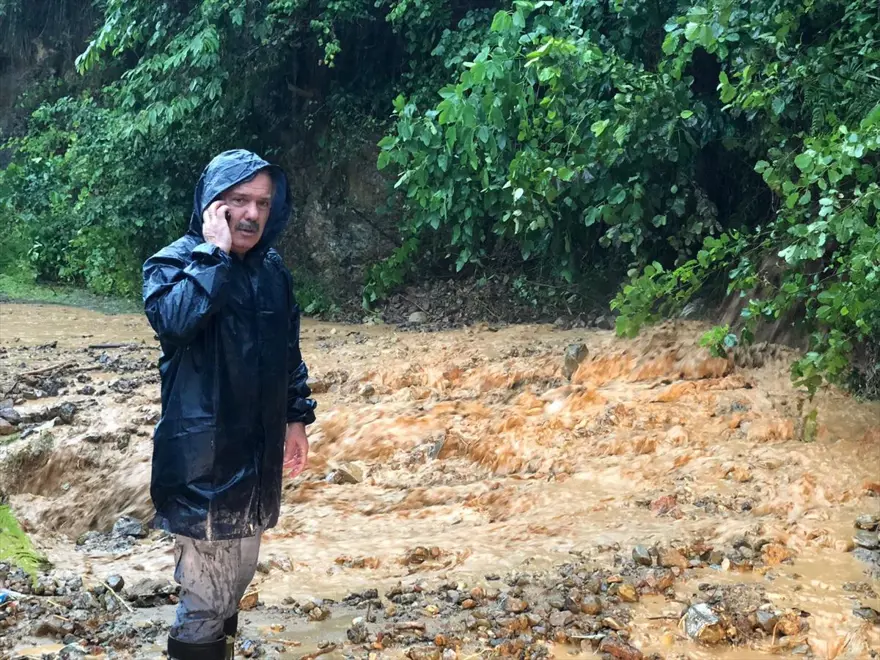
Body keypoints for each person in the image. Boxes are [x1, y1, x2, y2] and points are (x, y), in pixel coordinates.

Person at [142, 149, 317, 660]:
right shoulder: (173, 263)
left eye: (262, 202)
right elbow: (174, 321)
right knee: (204, 596)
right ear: (212, 205)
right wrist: (214, 256)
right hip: (201, 463)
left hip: (256, 458)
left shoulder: (272, 271)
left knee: (233, 583)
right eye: (238, 200)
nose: (252, 213)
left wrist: (296, 418)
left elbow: (288, 352)